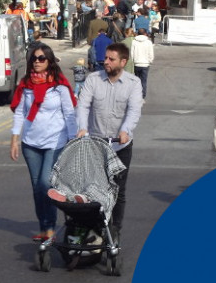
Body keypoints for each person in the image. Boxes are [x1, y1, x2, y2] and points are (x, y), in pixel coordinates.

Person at [10, 43, 77, 242]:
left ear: (49, 61)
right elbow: (20, 113)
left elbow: (70, 115)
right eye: (34, 59)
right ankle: (45, 227)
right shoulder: (26, 84)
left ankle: (50, 225)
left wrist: (73, 141)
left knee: (45, 183)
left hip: (54, 142)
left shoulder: (59, 86)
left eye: (41, 59)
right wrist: (14, 139)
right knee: (37, 188)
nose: (37, 62)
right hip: (31, 143)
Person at [75, 42, 143, 241]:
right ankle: (95, 229)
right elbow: (83, 105)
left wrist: (125, 130)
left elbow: (134, 110)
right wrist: (82, 128)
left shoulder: (133, 83)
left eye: (111, 59)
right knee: (93, 189)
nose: (106, 62)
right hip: (95, 144)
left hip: (119, 145)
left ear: (123, 62)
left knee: (118, 191)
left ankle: (115, 230)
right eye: (105, 58)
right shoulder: (93, 79)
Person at [130, 25, 154, 100]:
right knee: (144, 80)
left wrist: (133, 60)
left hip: (137, 63)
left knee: (137, 80)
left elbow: (132, 53)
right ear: (145, 34)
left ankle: (136, 93)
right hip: (145, 64)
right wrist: (150, 60)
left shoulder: (134, 41)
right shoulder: (148, 42)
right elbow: (151, 53)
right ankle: (143, 95)